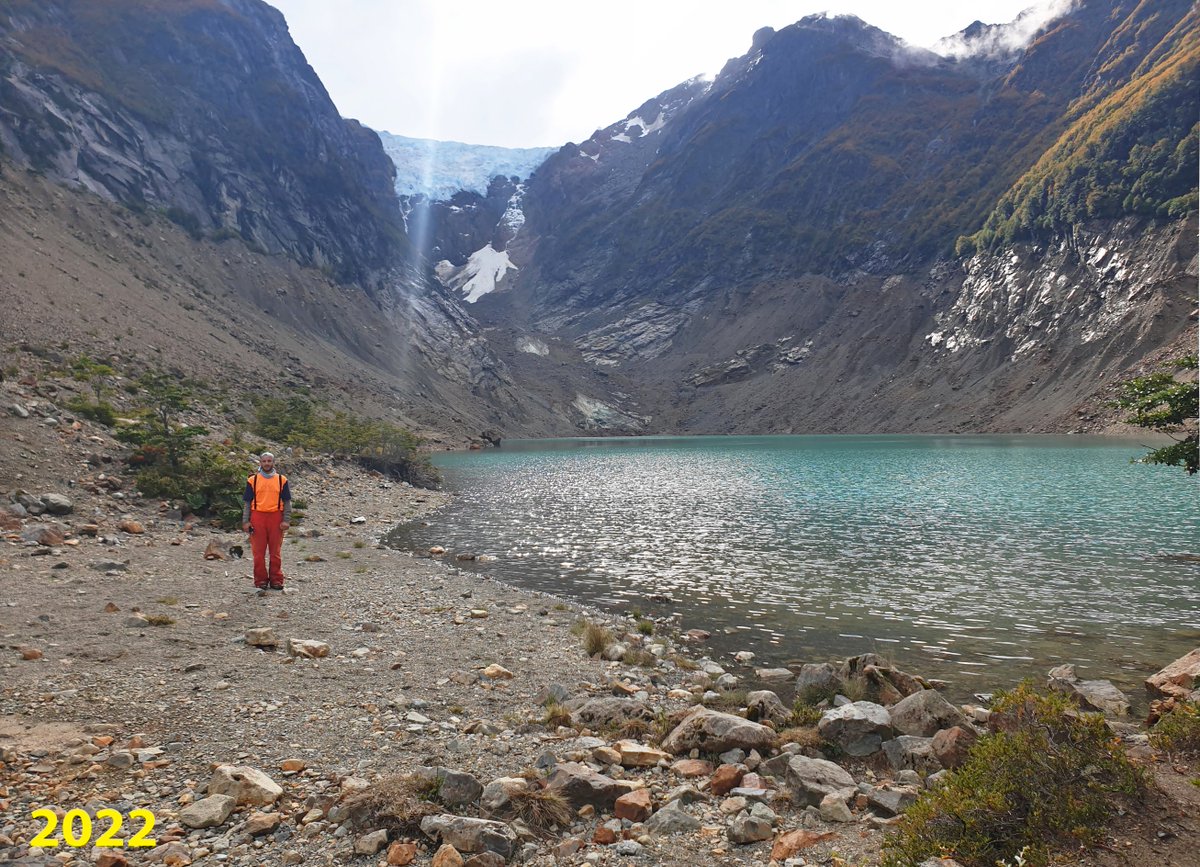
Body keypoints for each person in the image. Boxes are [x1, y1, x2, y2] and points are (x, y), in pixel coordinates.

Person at [242, 452, 292, 591]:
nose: (267, 463)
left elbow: (287, 502)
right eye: (264, 461)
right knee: (258, 552)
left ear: (273, 463)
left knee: (275, 552)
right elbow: (247, 502)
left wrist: (286, 519)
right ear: (260, 463)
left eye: (269, 461)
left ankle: (276, 580)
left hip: (276, 517)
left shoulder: (282, 480)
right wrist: (246, 521)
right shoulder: (253, 480)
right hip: (257, 517)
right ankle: (260, 581)